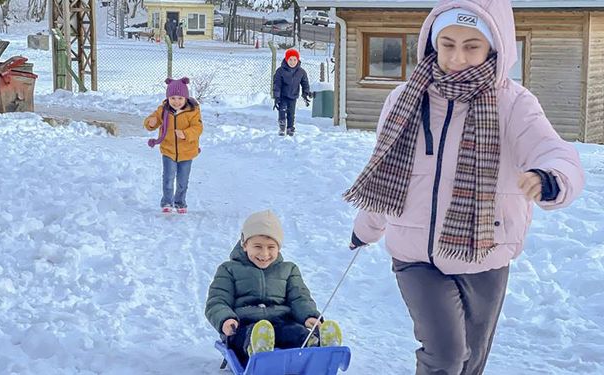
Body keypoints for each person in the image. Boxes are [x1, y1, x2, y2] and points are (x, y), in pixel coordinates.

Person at [344, 1, 584, 374]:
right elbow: (385, 176)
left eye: (471, 45)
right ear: (432, 43)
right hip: (415, 255)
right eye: (448, 44)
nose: (457, 57)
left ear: (494, 46)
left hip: (484, 252)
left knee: (471, 359)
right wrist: (366, 229)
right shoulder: (403, 100)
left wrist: (550, 177)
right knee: (445, 354)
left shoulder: (513, 104)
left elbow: (554, 152)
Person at [205, 210, 342, 365]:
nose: (264, 253)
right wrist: (226, 319)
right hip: (243, 325)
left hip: (280, 322)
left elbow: (300, 298)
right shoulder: (229, 269)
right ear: (244, 244)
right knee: (246, 336)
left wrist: (309, 316)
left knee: (297, 333)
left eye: (271, 247)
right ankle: (257, 348)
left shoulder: (288, 270)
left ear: (279, 247)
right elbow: (217, 301)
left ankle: (319, 346)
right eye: (257, 246)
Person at [144, 77, 203, 214]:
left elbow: (198, 128)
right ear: (168, 98)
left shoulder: (193, 111)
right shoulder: (163, 110)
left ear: (186, 98)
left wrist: (186, 134)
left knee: (183, 181)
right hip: (168, 150)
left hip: (187, 152)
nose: (176, 102)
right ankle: (166, 201)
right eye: (173, 98)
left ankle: (180, 202)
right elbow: (152, 120)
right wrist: (151, 123)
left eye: (180, 98)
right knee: (168, 179)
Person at [272, 48, 311, 136]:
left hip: (293, 96)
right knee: (282, 110)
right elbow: (276, 84)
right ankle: (282, 126)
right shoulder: (280, 71)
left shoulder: (301, 72)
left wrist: (305, 93)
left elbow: (305, 83)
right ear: (286, 59)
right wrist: (276, 96)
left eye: (294, 60)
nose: (292, 62)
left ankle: (290, 128)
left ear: (298, 60)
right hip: (282, 96)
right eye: (290, 59)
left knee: (291, 113)